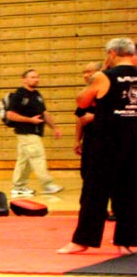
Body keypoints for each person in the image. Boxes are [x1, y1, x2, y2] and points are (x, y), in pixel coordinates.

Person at [58, 38, 137, 255]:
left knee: (94, 192)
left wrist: (99, 74)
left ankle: (83, 240)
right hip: (132, 140)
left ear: (112, 53)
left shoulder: (104, 76)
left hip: (107, 142)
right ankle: (126, 242)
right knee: (129, 192)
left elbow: (82, 101)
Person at [6, 69, 64, 196]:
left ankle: (18, 187)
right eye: (32, 77)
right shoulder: (19, 94)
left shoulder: (37, 95)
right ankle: (47, 185)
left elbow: (45, 113)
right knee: (38, 157)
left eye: (37, 77)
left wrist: (54, 127)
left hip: (35, 132)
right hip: (26, 133)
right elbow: (10, 114)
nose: (36, 79)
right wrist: (30, 120)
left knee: (24, 161)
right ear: (24, 79)